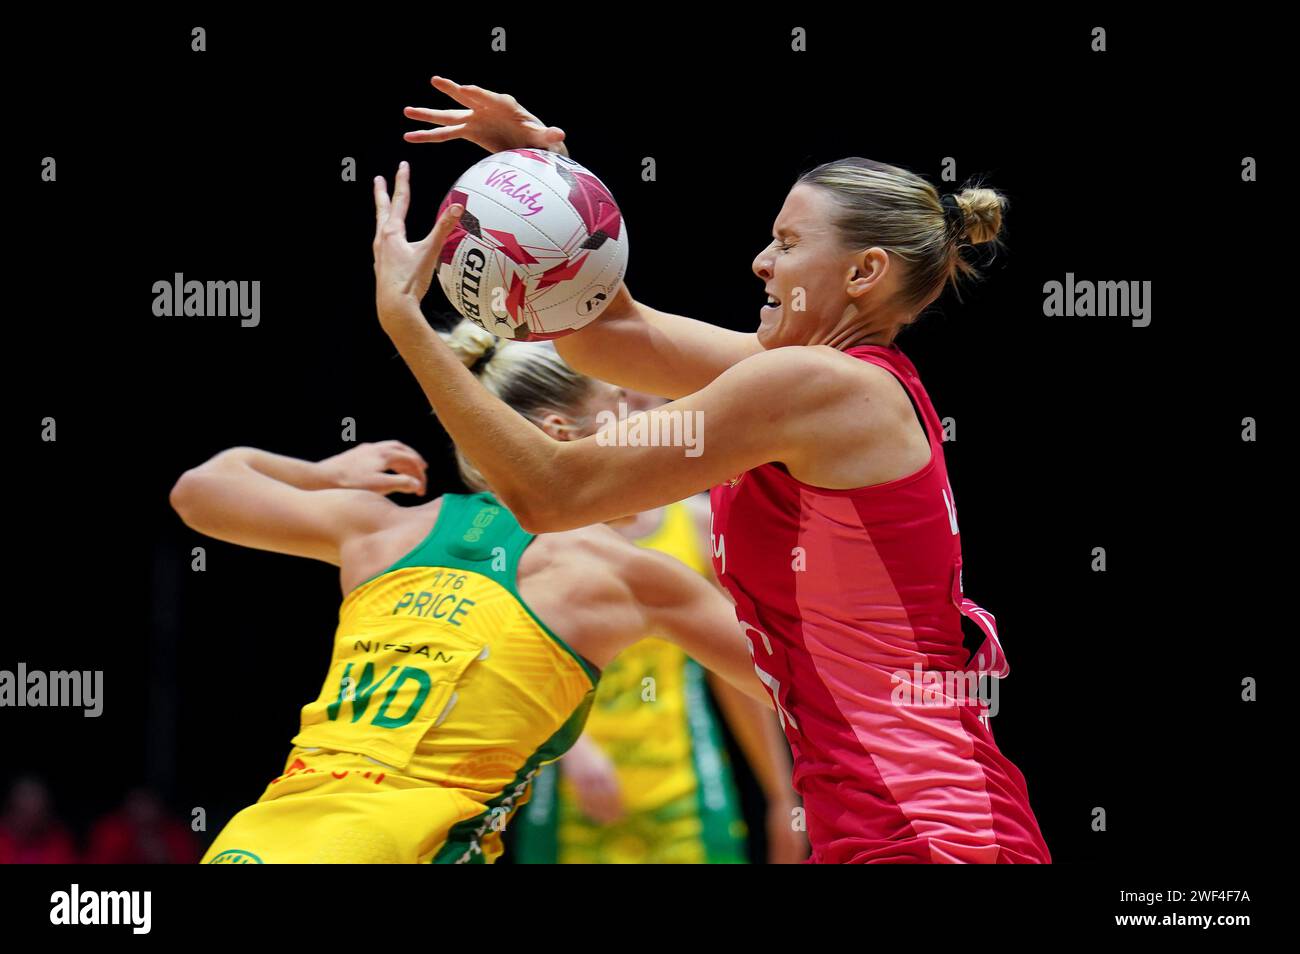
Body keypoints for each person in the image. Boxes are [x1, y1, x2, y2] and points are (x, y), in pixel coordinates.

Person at [371, 76, 1052, 863]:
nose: (762, 262)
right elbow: (612, 334)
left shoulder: (814, 386)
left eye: (789, 244)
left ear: (863, 273)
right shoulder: (821, 380)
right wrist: (541, 169)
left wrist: (406, 324)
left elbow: (552, 492)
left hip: (928, 829)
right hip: (899, 819)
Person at [170, 328, 769, 864]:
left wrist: (323, 474)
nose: (652, 438)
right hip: (395, 847)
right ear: (558, 435)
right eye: (628, 417)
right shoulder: (618, 572)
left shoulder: (381, 528)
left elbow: (200, 490)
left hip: (262, 837)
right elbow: (800, 680)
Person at [514, 444, 805, 864]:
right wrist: (571, 748)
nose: (638, 421)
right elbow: (506, 650)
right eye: (624, 404)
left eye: (650, 408)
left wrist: (781, 793)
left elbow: (737, 673)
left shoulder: (697, 521)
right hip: (568, 788)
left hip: (685, 789)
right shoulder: (541, 523)